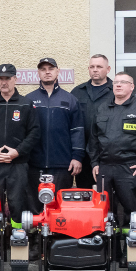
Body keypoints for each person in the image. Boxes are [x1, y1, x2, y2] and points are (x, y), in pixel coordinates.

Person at [89, 72, 136, 227]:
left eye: (123, 82)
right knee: (104, 210)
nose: (118, 85)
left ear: (132, 87)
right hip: (105, 167)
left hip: (130, 167)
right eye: (116, 82)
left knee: (132, 209)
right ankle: (110, 242)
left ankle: (131, 240)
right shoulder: (102, 108)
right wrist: (94, 162)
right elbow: (93, 138)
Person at [0, 64, 41, 227]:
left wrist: (18, 152)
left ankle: (17, 235)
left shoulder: (26, 104)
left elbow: (34, 133)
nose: (3, 82)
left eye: (7, 78)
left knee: (17, 203)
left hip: (17, 164)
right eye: (1, 79)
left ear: (15, 79)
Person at [27, 57, 84, 196]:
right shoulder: (28, 100)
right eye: (43, 69)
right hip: (34, 165)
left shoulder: (70, 99)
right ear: (38, 73)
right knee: (35, 205)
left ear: (58, 71)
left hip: (63, 165)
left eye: (51, 69)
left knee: (59, 205)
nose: (47, 72)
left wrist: (77, 157)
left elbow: (77, 131)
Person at [72, 54, 113, 189]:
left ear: (108, 69)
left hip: (107, 155)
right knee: (84, 193)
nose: (95, 70)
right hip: (82, 154)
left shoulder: (115, 92)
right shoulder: (77, 92)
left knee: (106, 194)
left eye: (99, 67)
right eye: (92, 67)